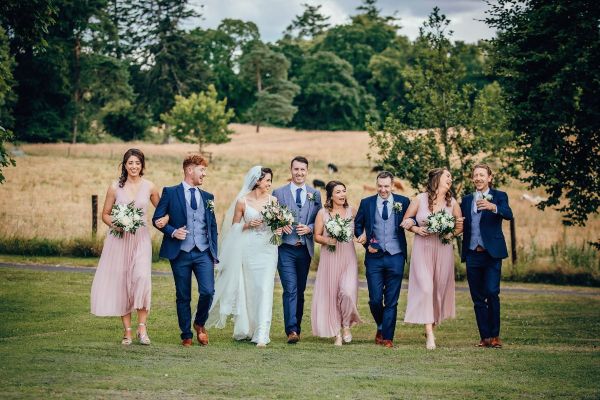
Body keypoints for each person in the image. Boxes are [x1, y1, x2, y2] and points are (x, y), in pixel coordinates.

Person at [91, 148, 168, 346]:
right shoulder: (115, 187)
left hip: (141, 239)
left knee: (141, 278)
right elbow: (105, 214)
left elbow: (161, 211)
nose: (134, 166)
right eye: (130, 163)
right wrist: (116, 223)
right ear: (124, 165)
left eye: (137, 163)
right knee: (123, 282)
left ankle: (142, 328)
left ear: (142, 165)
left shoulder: (150, 186)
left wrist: (166, 218)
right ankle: (127, 332)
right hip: (119, 239)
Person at [206, 166, 281, 347]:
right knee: (249, 289)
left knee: (264, 288)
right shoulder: (242, 202)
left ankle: (262, 333)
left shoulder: (273, 201)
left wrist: (279, 228)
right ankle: (247, 328)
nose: (270, 184)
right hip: (248, 249)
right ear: (257, 181)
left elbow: (277, 224)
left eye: (271, 180)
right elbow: (233, 228)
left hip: (267, 249)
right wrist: (247, 225)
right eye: (267, 180)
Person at [152, 154, 218, 347]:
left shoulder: (208, 197)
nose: (204, 174)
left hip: (203, 252)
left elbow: (212, 227)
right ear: (190, 170)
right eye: (202, 170)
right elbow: (157, 219)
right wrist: (172, 232)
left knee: (208, 291)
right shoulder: (170, 192)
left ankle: (199, 323)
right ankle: (186, 334)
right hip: (180, 252)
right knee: (183, 295)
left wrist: (214, 253)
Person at [401, 168, 464, 350]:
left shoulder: (452, 203)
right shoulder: (419, 199)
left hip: (443, 249)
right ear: (437, 179)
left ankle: (431, 324)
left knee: (439, 291)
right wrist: (416, 229)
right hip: (422, 248)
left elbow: (460, 226)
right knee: (427, 288)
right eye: (447, 176)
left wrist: (450, 234)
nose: (450, 179)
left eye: (451, 177)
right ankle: (429, 333)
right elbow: (407, 220)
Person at [354, 171, 410, 348]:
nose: (383, 190)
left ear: (392, 185)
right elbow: (358, 225)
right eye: (380, 186)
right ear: (376, 185)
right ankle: (380, 325)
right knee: (375, 299)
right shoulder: (367, 203)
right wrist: (364, 240)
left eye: (386, 186)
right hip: (374, 258)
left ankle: (387, 337)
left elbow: (412, 218)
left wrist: (412, 223)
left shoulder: (403, 202)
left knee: (392, 300)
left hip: (396, 256)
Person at [460, 164, 513, 348]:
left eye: (482, 175)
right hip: (472, 253)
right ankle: (485, 337)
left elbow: (508, 214)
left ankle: (495, 335)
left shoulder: (500, 196)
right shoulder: (466, 200)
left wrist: (493, 207)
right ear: (472, 179)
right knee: (477, 297)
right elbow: (462, 223)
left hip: (492, 253)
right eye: (475, 175)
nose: (478, 178)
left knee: (492, 292)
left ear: (490, 177)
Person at [272, 156, 322, 343]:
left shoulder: (315, 194)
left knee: (300, 290)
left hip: (305, 249)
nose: (299, 173)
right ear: (290, 170)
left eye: (302, 170)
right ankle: (291, 330)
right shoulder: (278, 192)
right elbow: (272, 217)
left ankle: (297, 329)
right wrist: (278, 225)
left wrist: (309, 227)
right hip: (285, 248)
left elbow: (320, 218)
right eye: (296, 169)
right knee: (290, 288)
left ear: (307, 171)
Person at [311, 181, 362, 346]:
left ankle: (346, 325)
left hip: (348, 258)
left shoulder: (352, 211)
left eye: (344, 191)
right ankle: (336, 333)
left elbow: (364, 227)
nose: (342, 194)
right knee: (332, 296)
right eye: (338, 192)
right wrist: (328, 240)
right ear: (331, 195)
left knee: (347, 292)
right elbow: (316, 236)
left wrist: (363, 236)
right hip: (329, 259)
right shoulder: (323, 213)